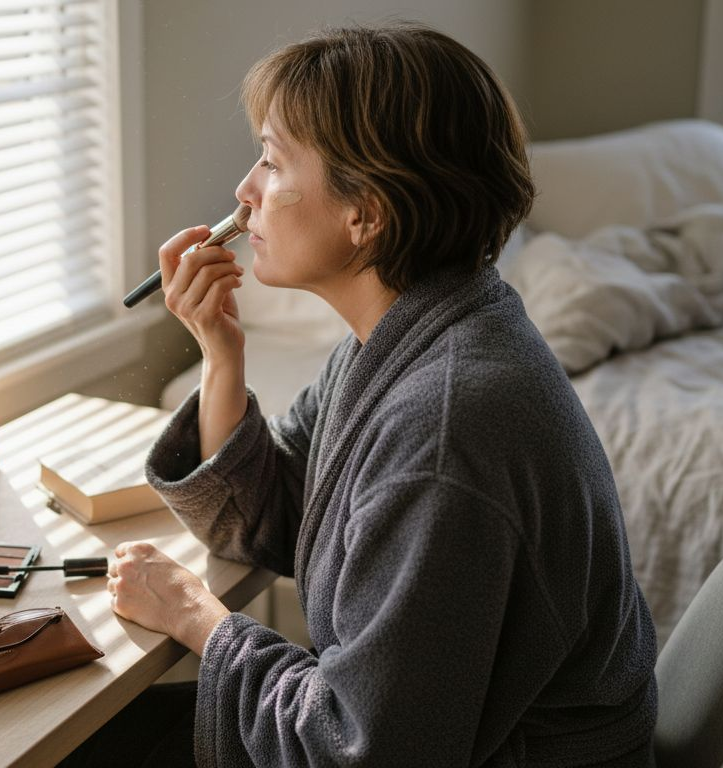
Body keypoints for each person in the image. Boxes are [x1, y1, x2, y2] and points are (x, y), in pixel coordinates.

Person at [81, 22, 658, 767]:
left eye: (271, 161)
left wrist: (200, 620)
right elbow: (283, 511)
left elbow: (361, 748)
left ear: (367, 213)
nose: (244, 193)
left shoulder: (444, 430)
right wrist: (221, 353)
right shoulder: (415, 329)